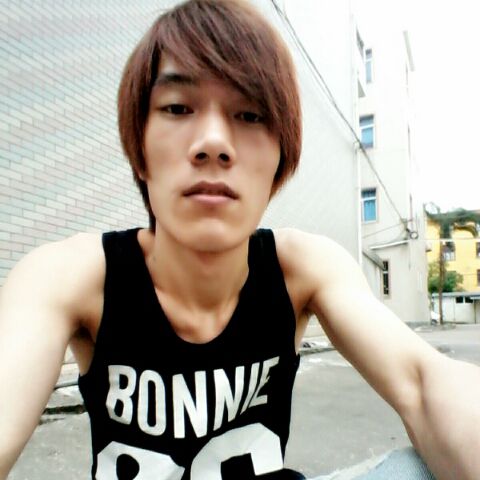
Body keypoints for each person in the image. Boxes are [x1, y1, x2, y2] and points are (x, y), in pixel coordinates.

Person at [0, 1, 479, 479]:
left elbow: (423, 383)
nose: (213, 142)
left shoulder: (301, 267)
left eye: (249, 115)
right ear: (139, 149)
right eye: (177, 108)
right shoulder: (73, 276)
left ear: (280, 160)